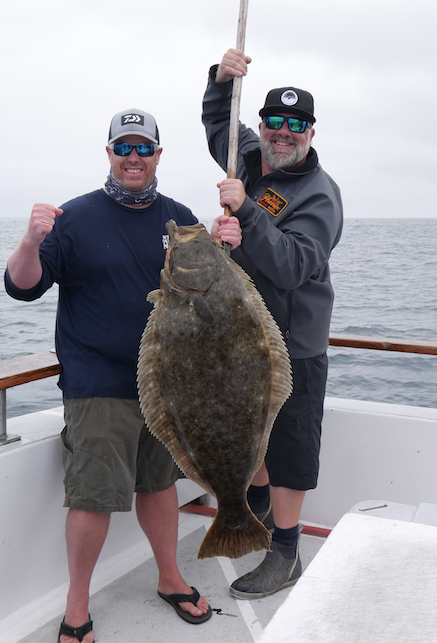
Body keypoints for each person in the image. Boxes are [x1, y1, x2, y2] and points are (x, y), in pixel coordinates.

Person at [4, 108, 241, 643]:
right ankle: (77, 606)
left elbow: (221, 294)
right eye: (123, 148)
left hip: (170, 384)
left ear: (158, 155)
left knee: (159, 487)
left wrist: (230, 243)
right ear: (108, 153)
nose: (133, 158)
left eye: (143, 148)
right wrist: (28, 241)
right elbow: (22, 287)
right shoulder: (74, 218)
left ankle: (169, 577)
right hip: (99, 384)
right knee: (92, 496)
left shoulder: (181, 220)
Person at [203, 50, 343, 600]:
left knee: (288, 448)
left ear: (310, 132)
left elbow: (291, 266)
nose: (283, 135)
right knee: (248, 433)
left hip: (293, 346)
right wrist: (218, 80)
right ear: (262, 125)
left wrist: (248, 215)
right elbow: (219, 120)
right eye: (274, 124)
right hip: (240, 337)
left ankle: (286, 551)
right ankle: (254, 508)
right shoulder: (249, 157)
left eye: (295, 126)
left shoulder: (321, 194)